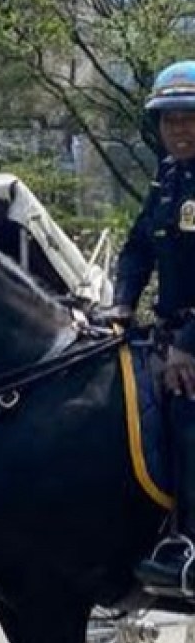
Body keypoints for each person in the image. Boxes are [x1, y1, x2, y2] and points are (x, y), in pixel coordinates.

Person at [112, 59, 195, 595]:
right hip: (168, 332)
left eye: (189, 118)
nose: (178, 129)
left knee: (188, 412)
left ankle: (190, 542)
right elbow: (137, 251)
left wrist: (189, 345)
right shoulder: (167, 182)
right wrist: (121, 304)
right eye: (168, 120)